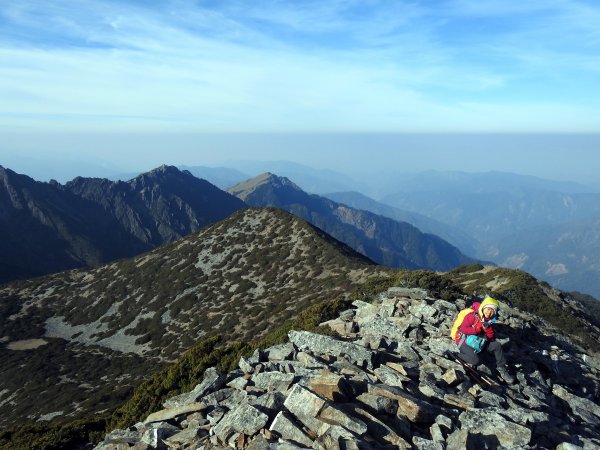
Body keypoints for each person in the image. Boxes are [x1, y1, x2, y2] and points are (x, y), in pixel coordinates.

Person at [455, 296, 515, 384]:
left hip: (478, 343)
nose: (489, 312)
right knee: (476, 361)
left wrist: (487, 330)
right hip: (464, 342)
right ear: (483, 307)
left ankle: (502, 368)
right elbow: (463, 329)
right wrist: (477, 329)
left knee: (497, 345)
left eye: (492, 311)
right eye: (488, 309)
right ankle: (457, 355)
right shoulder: (472, 316)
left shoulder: (489, 322)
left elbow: (491, 338)